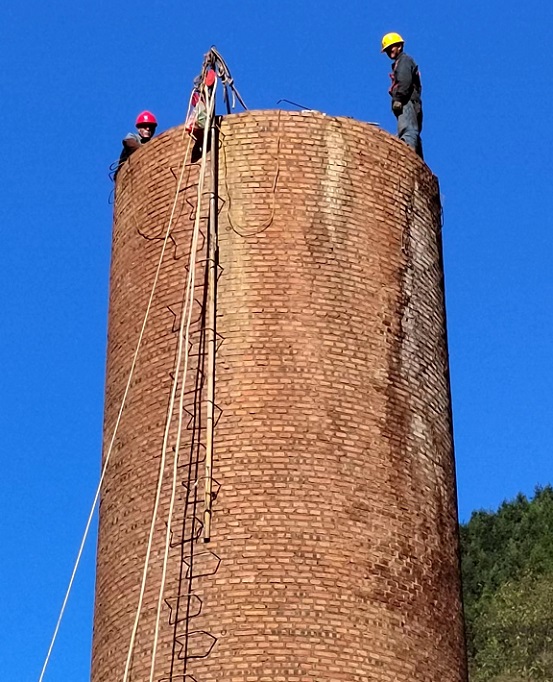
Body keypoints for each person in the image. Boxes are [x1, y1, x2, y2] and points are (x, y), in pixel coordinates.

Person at [381, 33, 423, 159]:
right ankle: (416, 159)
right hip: (409, 102)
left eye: (391, 48)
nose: (389, 52)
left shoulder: (404, 61)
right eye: (387, 50)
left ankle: (408, 155)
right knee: (410, 130)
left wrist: (398, 99)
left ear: (399, 46)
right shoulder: (400, 62)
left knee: (407, 129)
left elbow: (404, 81)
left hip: (407, 101)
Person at [116, 111, 158, 175]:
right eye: (144, 126)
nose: (148, 129)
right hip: (127, 172)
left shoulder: (152, 143)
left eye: (151, 127)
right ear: (138, 128)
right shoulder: (133, 137)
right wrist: (144, 150)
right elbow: (129, 142)